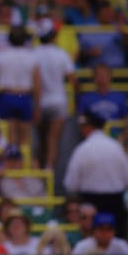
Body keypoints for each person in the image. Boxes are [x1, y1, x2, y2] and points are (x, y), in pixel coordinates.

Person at [64, 109, 128, 238]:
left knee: (91, 244)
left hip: (90, 202)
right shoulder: (116, 147)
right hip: (115, 202)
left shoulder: (82, 149)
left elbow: (70, 184)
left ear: (87, 127)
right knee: (116, 243)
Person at [33, 18, 77, 169]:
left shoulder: (34, 53)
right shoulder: (61, 54)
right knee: (53, 140)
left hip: (39, 102)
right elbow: (72, 78)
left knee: (41, 140)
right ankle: (49, 173)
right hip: (58, 101)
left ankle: (40, 175)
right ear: (53, 35)